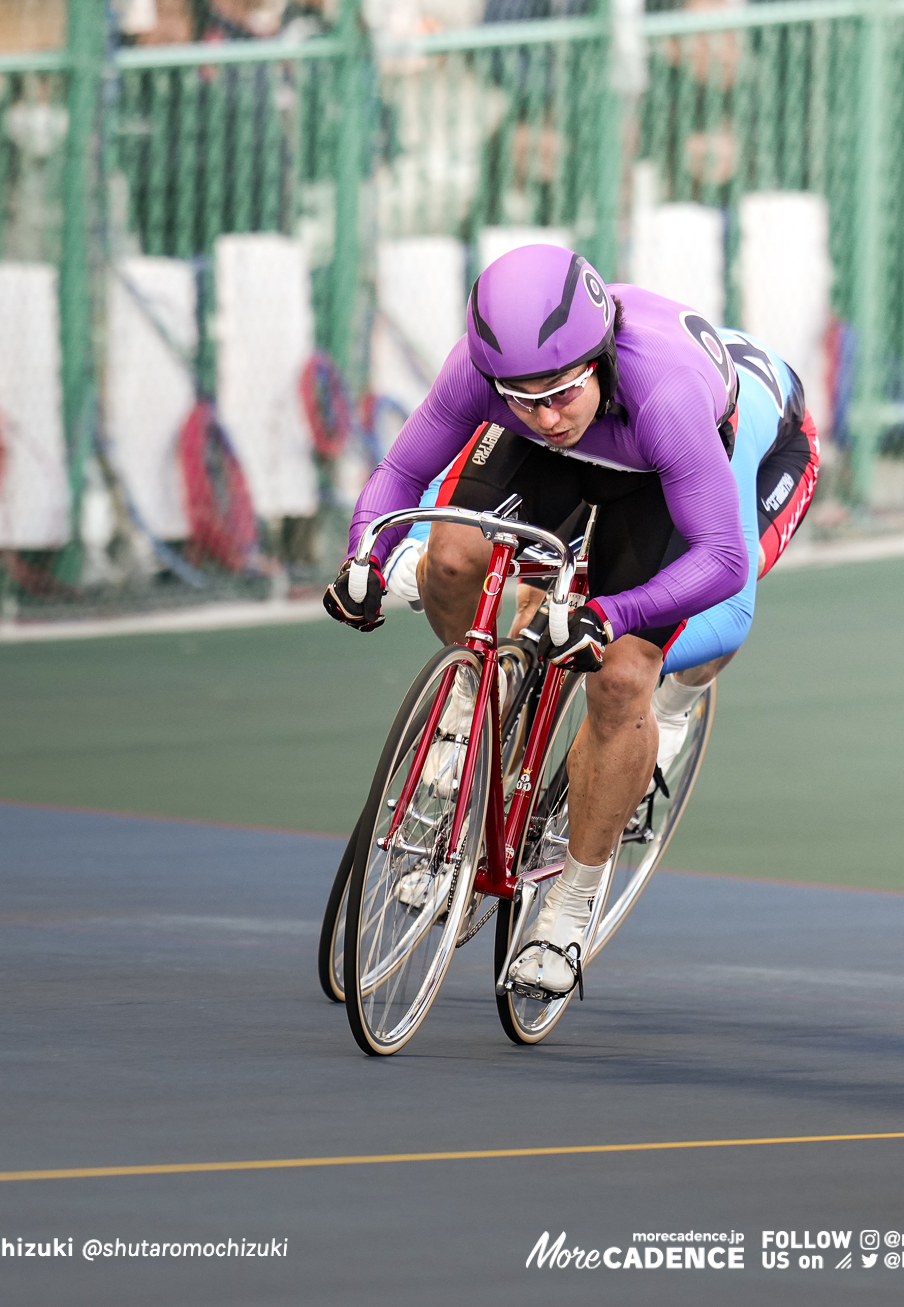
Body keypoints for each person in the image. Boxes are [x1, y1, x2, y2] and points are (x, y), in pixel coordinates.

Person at [327, 245, 817, 998]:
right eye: (521, 398)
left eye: (558, 394)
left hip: (710, 458)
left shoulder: (666, 395)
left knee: (627, 673)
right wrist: (365, 555)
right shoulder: (497, 378)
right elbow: (401, 475)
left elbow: (724, 564)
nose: (545, 416)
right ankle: (473, 704)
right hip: (602, 446)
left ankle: (572, 902)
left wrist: (611, 614)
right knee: (453, 558)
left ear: (597, 359)